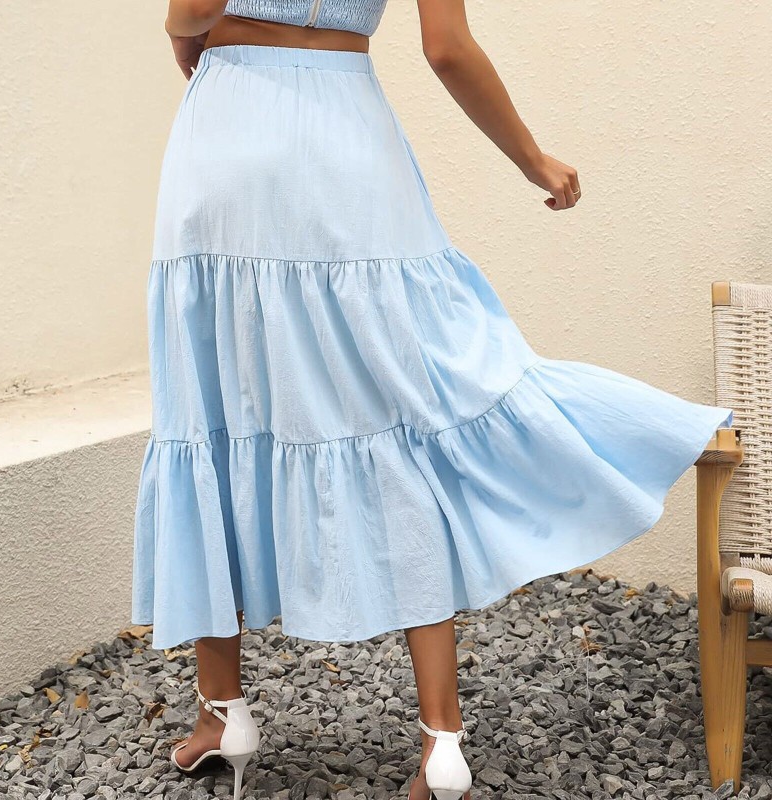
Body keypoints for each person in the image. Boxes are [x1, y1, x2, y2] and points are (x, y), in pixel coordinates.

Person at [130, 2, 735, 799]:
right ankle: (441, 742)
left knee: (214, 411)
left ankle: (222, 712)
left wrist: (185, 39)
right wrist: (533, 160)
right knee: (405, 411)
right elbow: (448, 49)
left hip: (232, 133)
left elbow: (194, 11)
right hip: (351, 140)